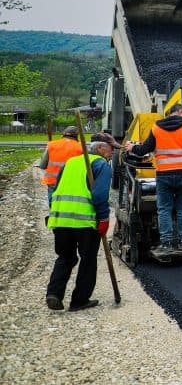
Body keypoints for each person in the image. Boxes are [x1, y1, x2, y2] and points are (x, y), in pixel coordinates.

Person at [45, 133, 117, 311]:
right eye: (111, 149)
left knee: (65, 257)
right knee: (88, 259)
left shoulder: (70, 162)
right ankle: (79, 300)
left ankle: (54, 294)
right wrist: (104, 218)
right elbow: (100, 195)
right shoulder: (101, 165)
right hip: (85, 221)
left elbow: (56, 188)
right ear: (100, 148)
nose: (113, 153)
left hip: (60, 219)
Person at [127, 103, 182, 253]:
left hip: (164, 175)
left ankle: (166, 244)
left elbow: (144, 149)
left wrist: (132, 148)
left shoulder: (156, 128)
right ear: (180, 112)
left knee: (164, 209)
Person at [38, 126, 84, 201]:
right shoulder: (81, 148)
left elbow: (42, 165)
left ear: (63, 134)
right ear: (76, 136)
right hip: (72, 182)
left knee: (53, 205)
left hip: (53, 181)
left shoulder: (52, 145)